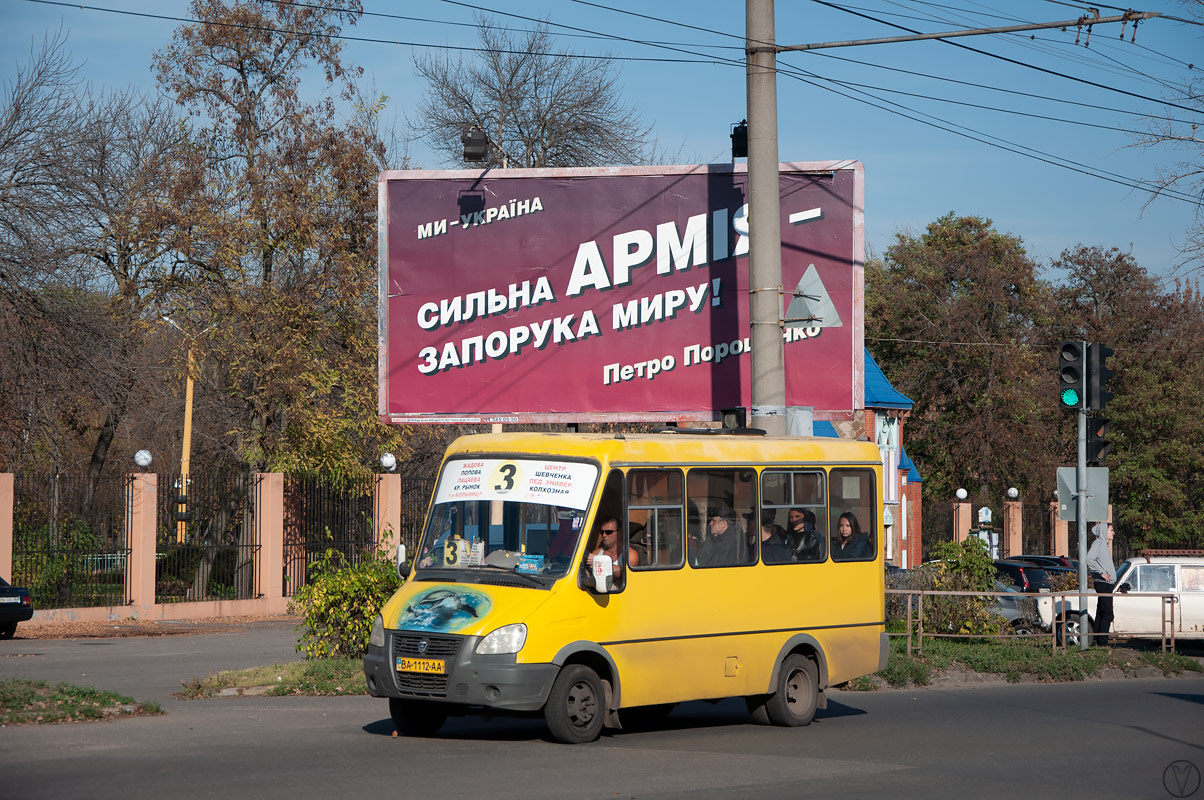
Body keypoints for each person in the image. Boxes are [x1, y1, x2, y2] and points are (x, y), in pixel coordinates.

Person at [1086, 521, 1116, 647]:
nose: (1113, 532)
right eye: (1111, 530)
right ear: (1104, 531)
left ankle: (1098, 641)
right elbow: (1088, 559)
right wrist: (1101, 573)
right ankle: (1103, 643)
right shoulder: (1098, 544)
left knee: (1102, 612)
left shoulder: (1103, 545)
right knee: (1108, 613)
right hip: (1103, 583)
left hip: (1106, 584)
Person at [586, 516, 639, 587]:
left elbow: (623, 573)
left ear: (620, 533)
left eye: (608, 532)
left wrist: (598, 562)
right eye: (602, 532)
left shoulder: (630, 554)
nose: (604, 535)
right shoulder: (597, 552)